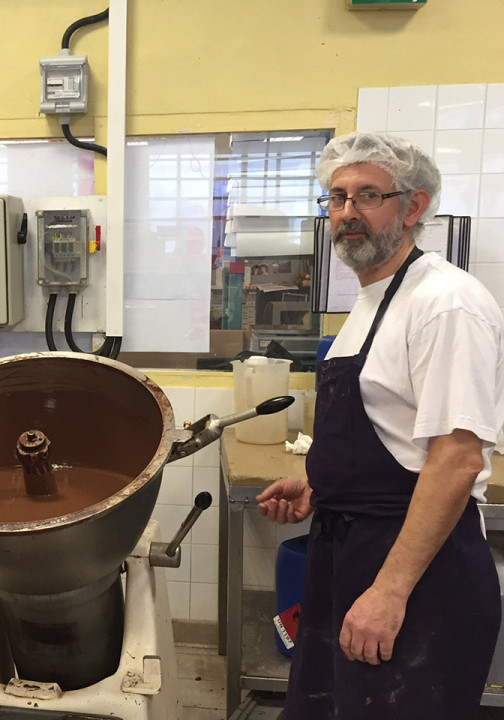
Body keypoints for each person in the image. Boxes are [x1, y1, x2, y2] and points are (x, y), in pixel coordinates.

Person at [257, 131, 504, 719]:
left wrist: (390, 593)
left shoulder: (445, 302)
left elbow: (456, 459)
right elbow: (394, 430)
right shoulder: (372, 299)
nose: (347, 213)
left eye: (368, 195)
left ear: (413, 207)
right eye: (336, 198)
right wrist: (323, 488)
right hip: (350, 555)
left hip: (415, 574)